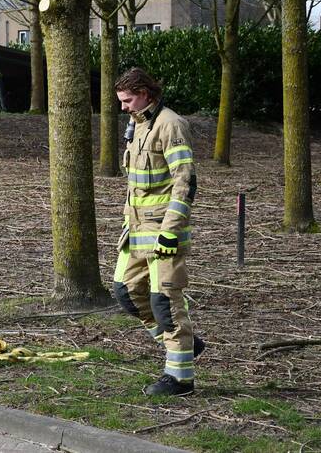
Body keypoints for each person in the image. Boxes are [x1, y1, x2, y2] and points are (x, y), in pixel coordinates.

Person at [112, 68, 205, 396]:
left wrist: (171, 230)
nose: (123, 106)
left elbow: (185, 181)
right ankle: (183, 345)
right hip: (136, 230)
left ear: (146, 93)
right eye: (121, 101)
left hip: (163, 232)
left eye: (128, 100)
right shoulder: (136, 126)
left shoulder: (171, 125)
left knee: (164, 301)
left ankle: (180, 377)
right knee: (125, 292)